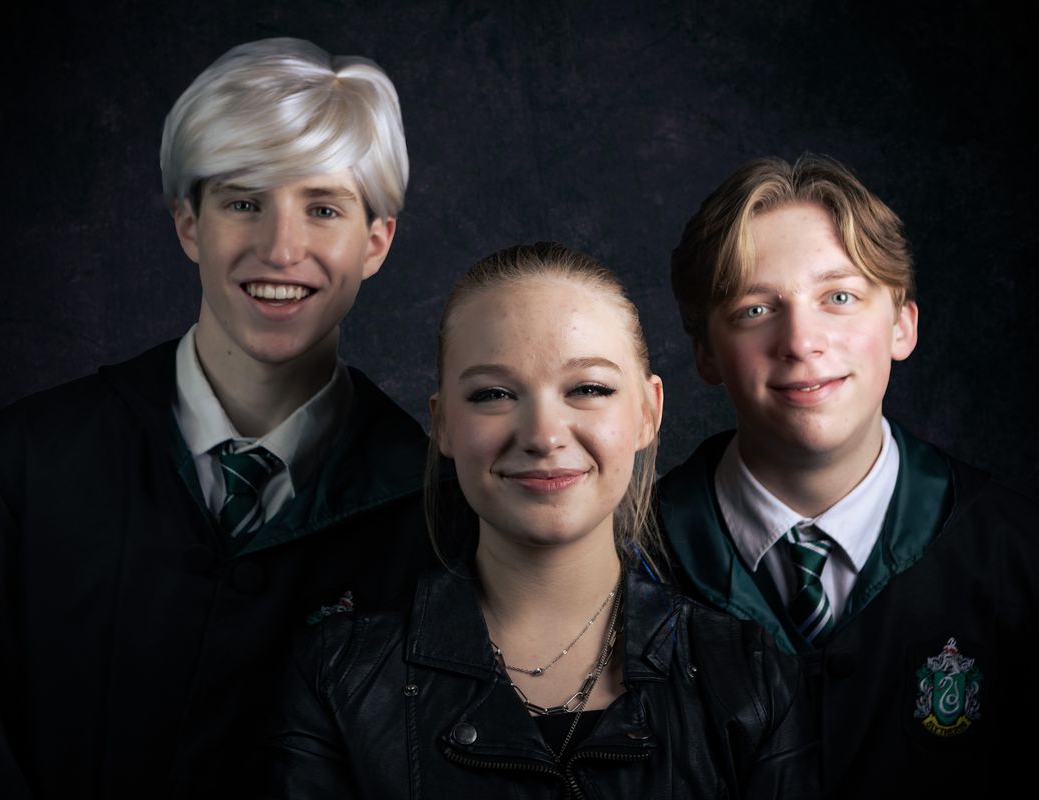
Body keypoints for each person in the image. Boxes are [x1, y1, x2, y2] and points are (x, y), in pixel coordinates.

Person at [0, 38, 433, 797]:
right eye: (243, 202)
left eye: (322, 208)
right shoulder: (27, 463)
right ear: (189, 223)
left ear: (375, 242)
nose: (280, 249)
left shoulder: (430, 507)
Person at [261, 242, 818, 798]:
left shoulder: (752, 678)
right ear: (443, 423)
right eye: (494, 394)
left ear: (649, 412)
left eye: (589, 389)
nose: (544, 435)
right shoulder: (337, 676)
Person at [660, 155, 1039, 797]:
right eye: (755, 309)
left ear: (901, 326)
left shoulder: (1019, 558)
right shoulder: (636, 562)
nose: (801, 341)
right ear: (705, 354)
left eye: (839, 297)